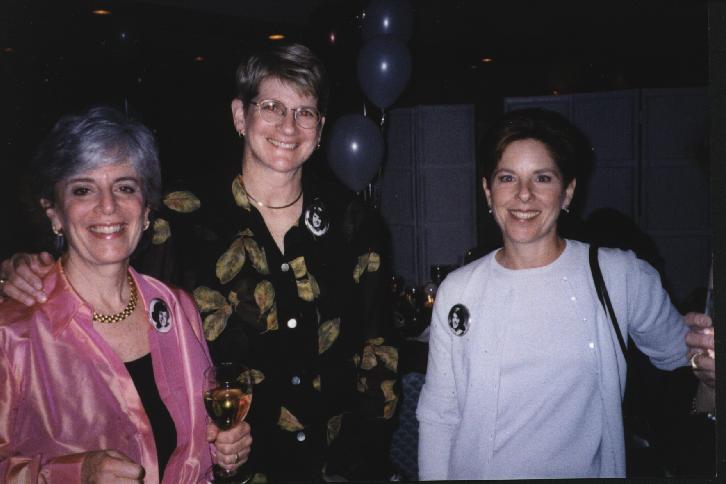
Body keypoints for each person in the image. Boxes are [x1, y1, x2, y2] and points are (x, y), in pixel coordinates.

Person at [0, 44, 397, 482]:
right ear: (239, 116)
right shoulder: (179, 218)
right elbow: (97, 256)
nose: (288, 126)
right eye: (271, 107)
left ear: (320, 129)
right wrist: (23, 268)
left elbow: (379, 362)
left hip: (334, 470)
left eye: (305, 112)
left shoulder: (357, 227)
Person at [415, 108, 699, 479]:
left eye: (543, 178)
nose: (524, 194)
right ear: (488, 191)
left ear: (567, 192)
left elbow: (684, 356)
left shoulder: (620, 275)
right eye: (507, 178)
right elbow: (440, 416)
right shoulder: (458, 291)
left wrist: (705, 357)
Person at [0, 106, 250, 482]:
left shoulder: (178, 309)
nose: (108, 205)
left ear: (146, 210)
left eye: (125, 187)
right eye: (83, 189)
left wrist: (224, 448)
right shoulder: (13, 332)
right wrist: (74, 475)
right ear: (54, 213)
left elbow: (197, 447)